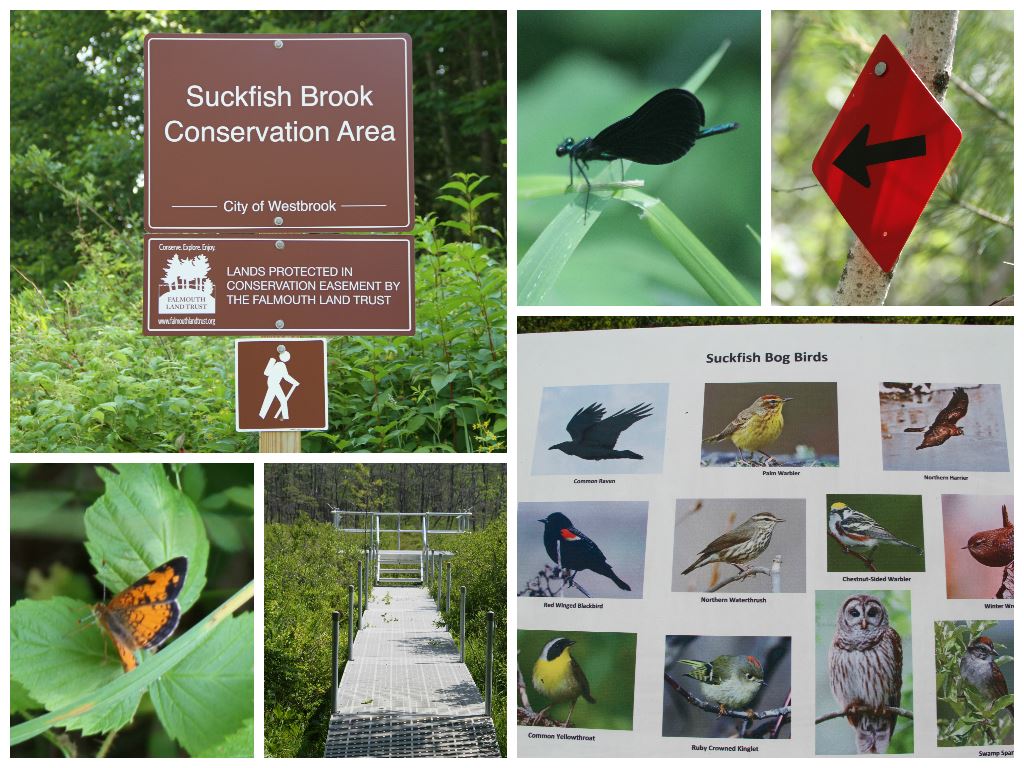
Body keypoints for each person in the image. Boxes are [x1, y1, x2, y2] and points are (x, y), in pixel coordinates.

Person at [259, 345, 299, 420]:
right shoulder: (281, 365)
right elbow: (286, 377)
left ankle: (261, 416)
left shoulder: (277, 364)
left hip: (271, 382)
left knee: (268, 399)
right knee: (283, 400)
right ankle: (286, 418)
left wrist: (294, 382)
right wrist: (295, 382)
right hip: (274, 383)